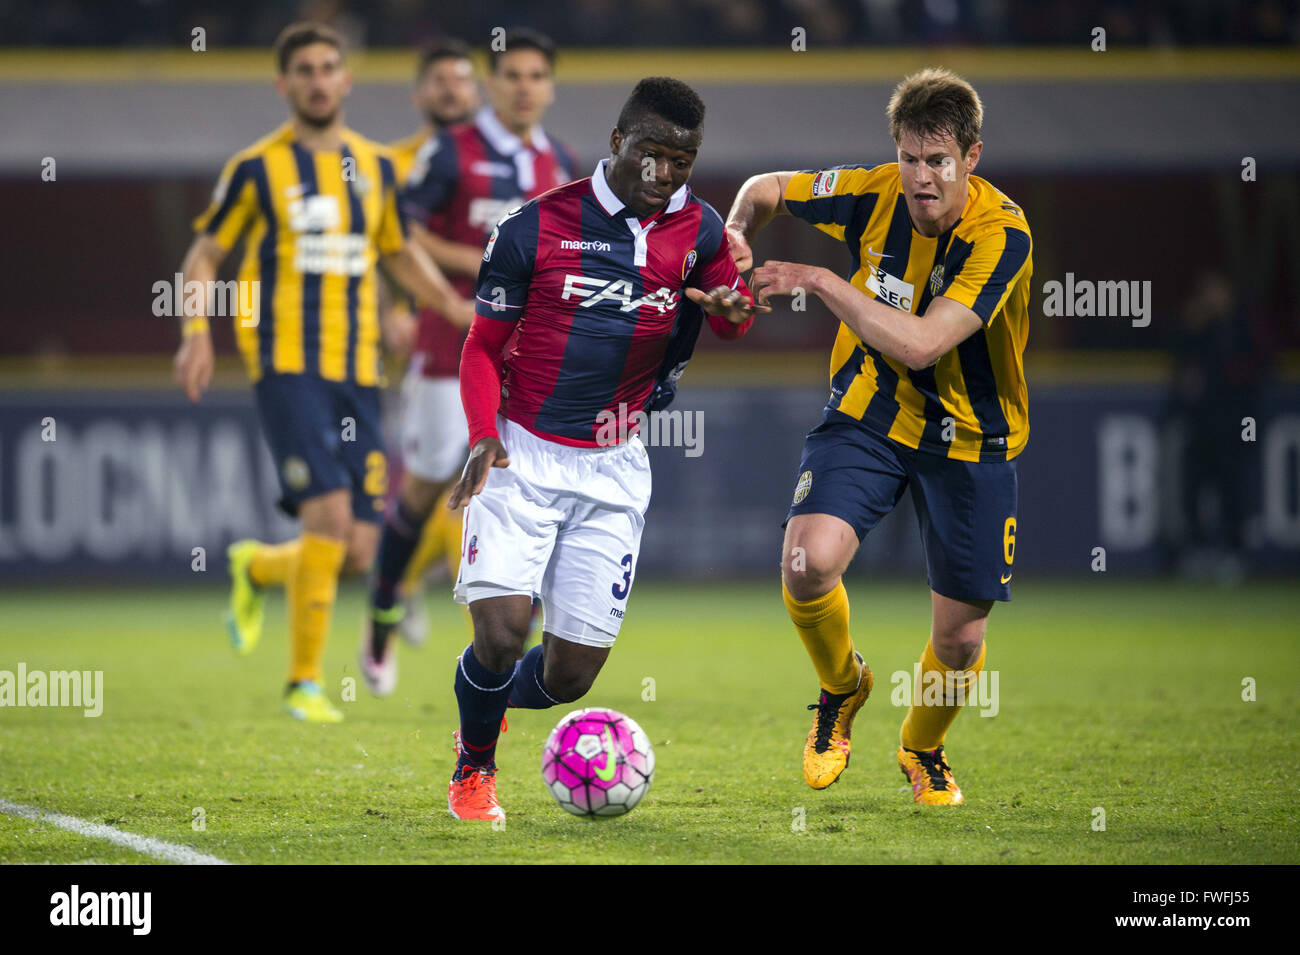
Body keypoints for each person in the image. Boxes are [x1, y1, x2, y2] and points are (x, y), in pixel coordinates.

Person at [443, 77, 766, 820]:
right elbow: (481, 346)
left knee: (571, 676)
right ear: (618, 142)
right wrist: (483, 433)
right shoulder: (533, 227)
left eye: (680, 162)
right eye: (651, 154)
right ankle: (475, 764)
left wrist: (733, 308)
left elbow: (733, 318)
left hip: (616, 462)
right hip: (522, 450)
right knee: (499, 632)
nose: (663, 174)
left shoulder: (704, 231)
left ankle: (488, 703)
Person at [725, 67, 1032, 804]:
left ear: (972, 158)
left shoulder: (1002, 235)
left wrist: (823, 281)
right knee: (806, 563)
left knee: (960, 638)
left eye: (937, 161)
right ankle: (842, 689)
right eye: (908, 157)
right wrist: (735, 235)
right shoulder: (871, 191)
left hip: (970, 437)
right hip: (870, 414)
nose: (920, 177)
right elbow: (766, 187)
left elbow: (924, 343)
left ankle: (922, 747)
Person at [172, 22, 473, 723]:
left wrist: (456, 308)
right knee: (331, 518)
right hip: (286, 363)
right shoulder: (255, 167)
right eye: (302, 69)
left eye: (327, 67)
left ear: (345, 80)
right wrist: (195, 332)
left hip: (358, 369)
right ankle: (304, 682)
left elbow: (398, 252)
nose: (315, 79)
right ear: (284, 84)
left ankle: (257, 566)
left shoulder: (374, 167)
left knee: (359, 547)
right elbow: (202, 257)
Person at [360, 28, 578, 695]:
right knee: (426, 489)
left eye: (536, 76)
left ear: (549, 86)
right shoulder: (450, 154)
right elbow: (403, 231)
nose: (523, 87)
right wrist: (486, 262)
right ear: (492, 82)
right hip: (448, 350)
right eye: (511, 75)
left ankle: (502, 655)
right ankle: (381, 615)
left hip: (527, 362)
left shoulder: (560, 164)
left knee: (525, 495)